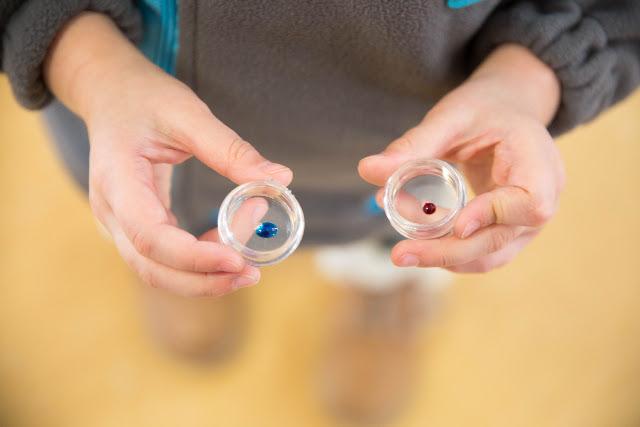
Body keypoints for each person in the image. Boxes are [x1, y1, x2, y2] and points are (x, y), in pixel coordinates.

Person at [2, 0, 639, 423]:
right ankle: (182, 259)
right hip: (157, 136)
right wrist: (91, 67)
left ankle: (380, 295)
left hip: (427, 148)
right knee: (167, 227)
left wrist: (526, 81)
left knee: (410, 244)